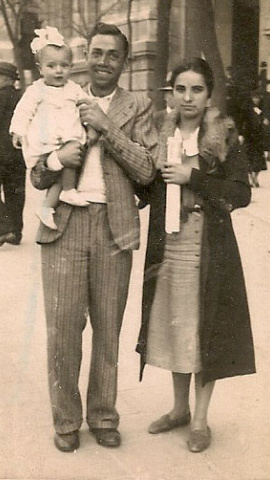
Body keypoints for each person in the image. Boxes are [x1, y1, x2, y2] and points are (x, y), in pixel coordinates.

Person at [30, 22, 158, 452]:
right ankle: (66, 421)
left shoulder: (138, 106)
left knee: (108, 329)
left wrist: (106, 127)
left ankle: (103, 416)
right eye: (97, 53)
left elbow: (147, 170)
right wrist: (54, 158)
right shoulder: (60, 94)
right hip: (63, 223)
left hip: (113, 227)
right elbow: (34, 172)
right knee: (63, 330)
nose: (103, 61)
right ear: (86, 57)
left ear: (123, 62)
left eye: (112, 55)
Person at [136, 58, 256, 453]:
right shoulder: (157, 131)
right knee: (176, 325)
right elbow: (146, 186)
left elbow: (240, 192)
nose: (188, 98)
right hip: (167, 244)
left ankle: (201, 419)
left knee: (206, 327)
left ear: (208, 95)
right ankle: (178, 409)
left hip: (208, 247)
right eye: (181, 89)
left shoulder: (224, 134)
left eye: (197, 90)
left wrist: (195, 177)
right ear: (171, 93)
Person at [10, 26, 96, 231]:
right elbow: (23, 111)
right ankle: (65, 192)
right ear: (40, 69)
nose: (58, 70)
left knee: (70, 161)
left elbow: (88, 105)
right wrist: (18, 131)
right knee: (61, 164)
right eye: (52, 66)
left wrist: (91, 126)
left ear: (71, 67)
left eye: (64, 66)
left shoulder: (73, 89)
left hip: (67, 139)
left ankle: (50, 205)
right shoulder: (36, 90)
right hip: (45, 142)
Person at [0, 62, 26, 245]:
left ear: (5, 78)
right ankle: (15, 232)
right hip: (18, 154)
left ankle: (4, 227)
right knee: (16, 191)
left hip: (0, 153)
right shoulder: (22, 98)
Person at [241, 88, 267, 187]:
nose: (256, 100)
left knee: (258, 160)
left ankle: (255, 177)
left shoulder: (261, 109)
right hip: (249, 137)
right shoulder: (247, 108)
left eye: (257, 98)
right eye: (254, 98)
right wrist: (242, 134)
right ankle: (252, 179)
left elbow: (263, 121)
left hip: (258, 137)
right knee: (250, 159)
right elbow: (244, 121)